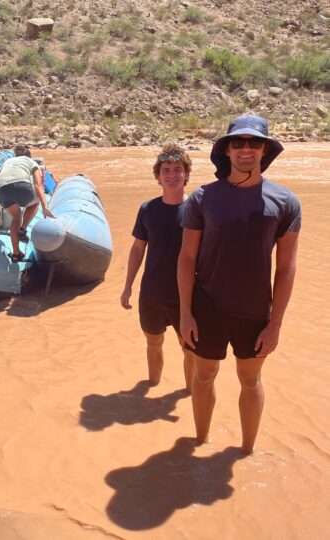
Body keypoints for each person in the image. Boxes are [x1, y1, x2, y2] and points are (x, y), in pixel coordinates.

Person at [177, 114, 301, 454]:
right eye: (238, 143)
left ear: (265, 150)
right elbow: (187, 258)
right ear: (227, 151)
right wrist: (185, 313)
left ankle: (245, 452)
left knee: (250, 380)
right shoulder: (202, 198)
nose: (246, 149)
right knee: (203, 376)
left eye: (254, 143)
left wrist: (275, 325)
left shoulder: (286, 202)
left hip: (255, 311)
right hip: (207, 308)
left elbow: (287, 267)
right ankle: (200, 442)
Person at [121, 143, 194, 391]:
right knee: (153, 344)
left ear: (186, 174)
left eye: (177, 169)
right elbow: (138, 249)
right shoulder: (147, 209)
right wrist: (127, 286)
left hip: (187, 296)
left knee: (190, 349)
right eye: (166, 170)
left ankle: (190, 395)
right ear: (158, 177)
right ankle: (150, 388)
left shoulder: (198, 208)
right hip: (152, 294)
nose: (172, 175)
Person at [0, 144, 54, 262]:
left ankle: (16, 254)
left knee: (16, 217)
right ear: (29, 156)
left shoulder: (5, 163)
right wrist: (44, 206)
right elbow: (38, 185)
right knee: (34, 202)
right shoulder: (32, 162)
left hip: (2, 191)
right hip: (23, 187)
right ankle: (22, 229)